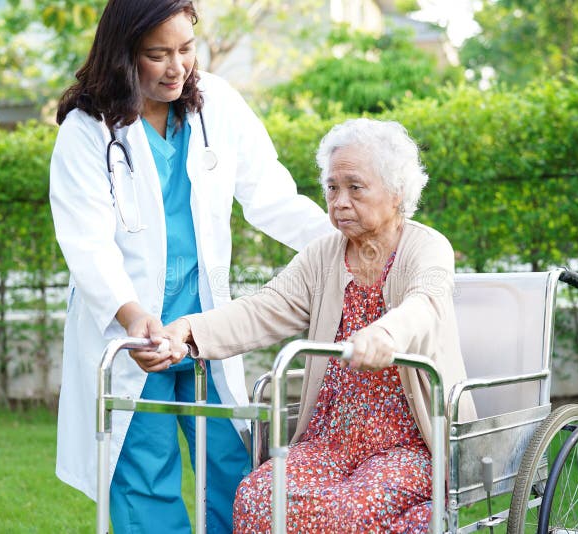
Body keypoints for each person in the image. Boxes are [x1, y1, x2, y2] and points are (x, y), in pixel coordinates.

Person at [48, 1, 332, 532]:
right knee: (145, 481)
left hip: (205, 330)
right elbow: (86, 242)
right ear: (122, 55)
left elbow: (270, 195)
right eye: (157, 55)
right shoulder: (88, 130)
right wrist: (133, 318)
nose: (177, 66)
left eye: (186, 48)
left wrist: (345, 243)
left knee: (234, 471)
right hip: (137, 337)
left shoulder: (216, 104)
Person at [160, 118, 478, 532]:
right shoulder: (322, 255)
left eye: (355, 187)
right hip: (330, 439)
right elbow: (265, 308)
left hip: (411, 443)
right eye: (331, 187)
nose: (339, 201)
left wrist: (384, 334)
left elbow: (426, 304)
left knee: (349, 512)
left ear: (397, 191)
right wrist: (190, 329)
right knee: (257, 497)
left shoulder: (428, 247)